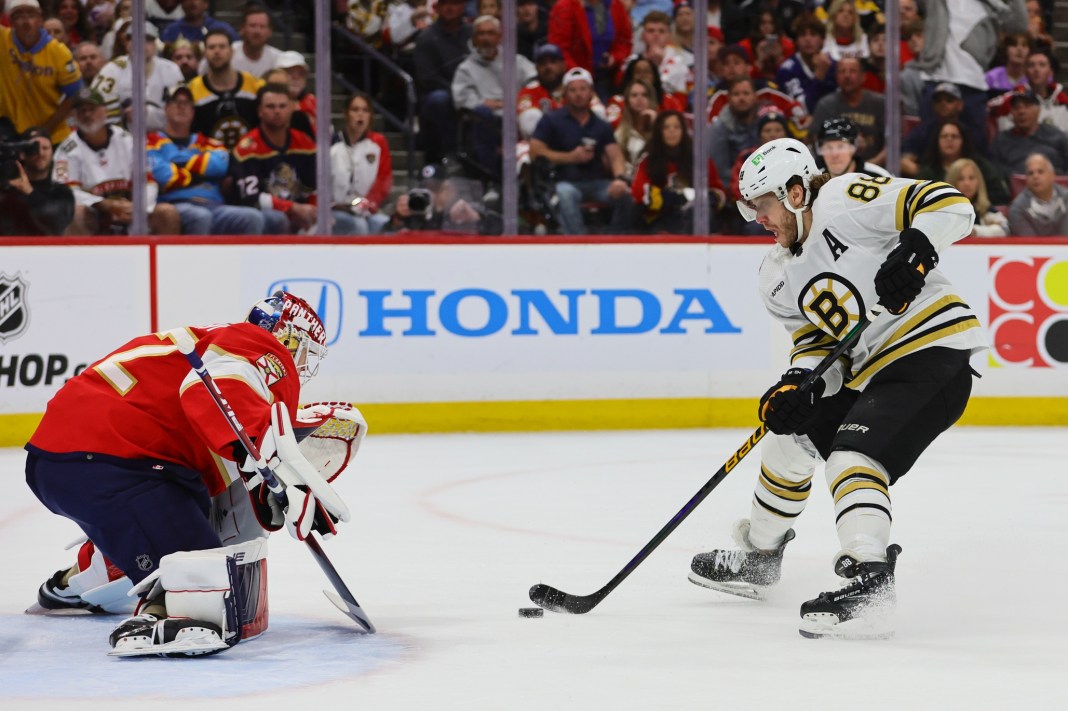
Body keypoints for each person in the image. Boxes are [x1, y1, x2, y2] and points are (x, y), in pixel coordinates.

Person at [688, 137, 986, 639]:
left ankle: (870, 577)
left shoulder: (846, 198)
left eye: (763, 204)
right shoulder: (774, 276)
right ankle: (760, 561)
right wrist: (798, 385)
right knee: (789, 440)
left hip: (932, 351)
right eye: (752, 207)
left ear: (797, 192)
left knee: (852, 458)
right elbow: (816, 347)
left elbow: (952, 203)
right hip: (870, 368)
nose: (758, 218)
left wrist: (917, 247)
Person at [25, 291, 353, 656]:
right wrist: (272, 470)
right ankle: (162, 611)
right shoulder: (258, 346)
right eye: (305, 352)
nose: (303, 365)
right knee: (204, 583)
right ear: (288, 337)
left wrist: (276, 484)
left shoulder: (213, 341)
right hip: (112, 462)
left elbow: (221, 441)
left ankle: (84, 579)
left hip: (79, 459)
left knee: (197, 514)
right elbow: (212, 388)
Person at [54, 87, 179, 235]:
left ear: (104, 111)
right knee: (77, 214)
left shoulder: (127, 140)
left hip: (131, 211)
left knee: (167, 213)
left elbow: (148, 181)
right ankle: (84, 258)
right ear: (74, 115)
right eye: (82, 111)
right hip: (95, 215)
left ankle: (160, 258)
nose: (87, 114)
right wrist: (104, 204)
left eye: (92, 109)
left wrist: (139, 208)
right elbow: (65, 192)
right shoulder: (66, 150)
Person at [148, 84, 266, 235]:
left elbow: (220, 167)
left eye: (186, 103)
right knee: (201, 217)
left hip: (214, 204)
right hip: (175, 205)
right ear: (166, 108)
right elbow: (164, 176)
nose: (181, 107)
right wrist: (203, 172)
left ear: (193, 110)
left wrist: (178, 166)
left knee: (252, 217)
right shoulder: (151, 142)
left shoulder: (208, 142)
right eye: (176, 102)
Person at [529, 67, 633, 234]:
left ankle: (615, 240)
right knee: (565, 194)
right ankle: (578, 241)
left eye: (583, 89)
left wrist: (620, 179)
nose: (578, 94)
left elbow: (615, 155)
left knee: (625, 195)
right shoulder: (551, 120)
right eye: (573, 90)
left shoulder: (601, 125)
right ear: (565, 94)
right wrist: (570, 157)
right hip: (565, 181)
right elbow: (535, 151)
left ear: (591, 92)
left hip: (596, 182)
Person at [230, 83, 318, 234]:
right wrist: (292, 208)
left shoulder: (305, 143)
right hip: (265, 212)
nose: (277, 111)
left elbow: (314, 188)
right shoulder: (248, 148)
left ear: (291, 108)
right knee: (278, 219)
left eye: (282, 106)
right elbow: (251, 198)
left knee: (339, 221)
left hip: (300, 213)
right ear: (260, 111)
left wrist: (314, 211)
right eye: (271, 106)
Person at [0, 0, 84, 146]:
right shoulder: (3, 40)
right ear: (11, 21)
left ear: (40, 19)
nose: (26, 22)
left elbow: (74, 94)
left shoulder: (59, 52)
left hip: (53, 134)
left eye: (31, 15)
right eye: (19, 16)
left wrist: (45, 130)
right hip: (9, 132)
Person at [630, 109, 725, 233]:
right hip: (661, 218)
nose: (672, 131)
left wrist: (703, 198)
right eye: (666, 127)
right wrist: (677, 198)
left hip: (696, 217)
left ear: (684, 131)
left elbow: (718, 193)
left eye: (676, 127)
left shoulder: (700, 159)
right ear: (659, 131)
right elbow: (639, 192)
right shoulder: (648, 160)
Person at [92, 22, 183, 133]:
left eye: (148, 40)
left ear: (155, 45)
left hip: (165, 138)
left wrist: (148, 113)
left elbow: (181, 110)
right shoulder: (111, 71)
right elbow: (99, 112)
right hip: (124, 139)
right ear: (127, 44)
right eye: (135, 39)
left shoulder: (171, 69)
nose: (141, 44)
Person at [412, 0, 471, 163]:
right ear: (436, 8)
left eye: (454, 2)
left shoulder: (473, 34)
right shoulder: (426, 38)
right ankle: (450, 155)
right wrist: (458, 93)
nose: (450, 7)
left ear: (463, 6)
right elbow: (427, 78)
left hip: (472, 90)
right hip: (442, 93)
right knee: (439, 100)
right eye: (445, 3)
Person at [188, 29, 265, 150]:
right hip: (210, 161)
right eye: (211, 47)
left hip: (250, 158)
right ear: (205, 53)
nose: (217, 51)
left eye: (222, 47)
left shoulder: (255, 85)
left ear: (232, 52)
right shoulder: (192, 89)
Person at [329, 92, 392, 235]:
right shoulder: (332, 144)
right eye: (355, 110)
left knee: (383, 225)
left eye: (365, 110)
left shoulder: (377, 143)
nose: (360, 115)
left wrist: (364, 204)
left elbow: (383, 180)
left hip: (366, 209)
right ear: (346, 114)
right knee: (359, 226)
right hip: (336, 209)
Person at [547, 0, 633, 102]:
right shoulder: (564, 7)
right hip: (574, 78)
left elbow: (624, 42)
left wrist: (614, 57)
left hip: (609, 76)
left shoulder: (615, 5)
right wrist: (580, 75)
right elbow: (559, 49)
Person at [809, 56, 885, 166]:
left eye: (852, 71)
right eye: (842, 71)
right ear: (836, 76)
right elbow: (816, 141)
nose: (847, 75)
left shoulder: (880, 103)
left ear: (863, 76)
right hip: (836, 169)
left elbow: (893, 144)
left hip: (876, 169)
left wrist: (868, 167)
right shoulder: (826, 104)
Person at [915, 119, 1010, 206]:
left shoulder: (979, 165)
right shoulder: (928, 171)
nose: (949, 140)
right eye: (944, 136)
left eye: (954, 136)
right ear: (937, 141)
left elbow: (1001, 195)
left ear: (963, 141)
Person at [0, 125, 75, 235]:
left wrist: (30, 192)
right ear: (22, 154)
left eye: (45, 148)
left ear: (52, 153)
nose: (40, 153)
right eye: (33, 148)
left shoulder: (61, 192)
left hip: (45, 249)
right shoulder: (7, 188)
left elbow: (58, 221)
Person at [990, 90, 1068, 176]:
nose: (1021, 111)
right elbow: (995, 172)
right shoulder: (1001, 141)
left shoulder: (1056, 135)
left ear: (1038, 109)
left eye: (1027, 106)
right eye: (1016, 107)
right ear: (1011, 112)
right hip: (1017, 186)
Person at [776, 13, 837, 115]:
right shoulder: (787, 70)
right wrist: (819, 76)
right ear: (796, 41)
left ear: (822, 40)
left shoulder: (834, 66)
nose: (808, 39)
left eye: (813, 34)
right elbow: (803, 109)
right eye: (803, 35)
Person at [945, 158, 1009, 237]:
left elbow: (1005, 229)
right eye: (960, 179)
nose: (967, 183)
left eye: (971, 178)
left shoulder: (984, 210)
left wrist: (975, 231)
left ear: (978, 181)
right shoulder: (943, 211)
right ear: (952, 182)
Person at [1008, 153, 1068, 236]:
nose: (1035, 176)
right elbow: (1029, 244)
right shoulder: (1017, 209)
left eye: (1040, 172)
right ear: (1026, 179)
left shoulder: (1066, 199)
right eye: (1030, 173)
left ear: (1053, 175)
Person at [813, 116, 891, 179]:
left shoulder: (878, 177)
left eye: (841, 147)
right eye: (828, 147)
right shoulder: (812, 179)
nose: (834, 154)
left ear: (853, 148)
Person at [613, 79, 658, 177]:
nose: (639, 99)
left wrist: (656, 125)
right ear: (628, 101)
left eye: (644, 95)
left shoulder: (661, 126)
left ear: (651, 99)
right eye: (634, 95)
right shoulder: (620, 133)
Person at [227, 3, 282, 78]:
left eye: (262, 26)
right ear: (242, 29)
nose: (257, 31)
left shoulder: (278, 59)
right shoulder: (227, 53)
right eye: (252, 26)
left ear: (269, 32)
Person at [160, 0, 239, 49]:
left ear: (206, 4)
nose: (193, 2)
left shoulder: (223, 29)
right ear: (182, 4)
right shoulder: (170, 30)